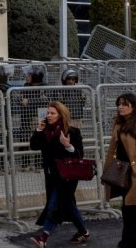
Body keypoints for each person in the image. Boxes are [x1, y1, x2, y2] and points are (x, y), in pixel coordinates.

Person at [29, 101, 89, 248]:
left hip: (67, 176)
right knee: (68, 204)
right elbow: (33, 146)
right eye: (48, 113)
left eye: (52, 113)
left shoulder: (72, 132)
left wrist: (68, 146)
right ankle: (83, 231)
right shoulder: (45, 131)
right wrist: (38, 129)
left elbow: (79, 155)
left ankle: (43, 237)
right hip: (51, 175)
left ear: (61, 115)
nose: (49, 116)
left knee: (54, 205)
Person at [103, 93, 136, 248]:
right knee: (133, 207)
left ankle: (128, 243)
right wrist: (107, 169)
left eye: (125, 104)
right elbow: (114, 147)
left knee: (133, 208)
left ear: (133, 106)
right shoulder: (118, 123)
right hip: (122, 170)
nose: (121, 107)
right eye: (119, 104)